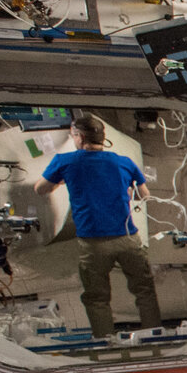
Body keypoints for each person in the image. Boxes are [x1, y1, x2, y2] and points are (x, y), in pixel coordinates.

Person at [33, 114, 161, 339]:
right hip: (128, 239)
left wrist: (63, 181)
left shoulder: (65, 162)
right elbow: (144, 195)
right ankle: (154, 334)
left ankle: (105, 340)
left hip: (94, 244)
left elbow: (40, 189)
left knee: (97, 297)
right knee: (144, 290)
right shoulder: (125, 161)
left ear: (80, 137)